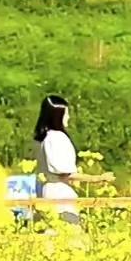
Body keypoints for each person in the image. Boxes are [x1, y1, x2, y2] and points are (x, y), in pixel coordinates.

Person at [33, 94, 113, 229]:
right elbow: (65, 173)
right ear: (57, 116)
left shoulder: (44, 138)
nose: (68, 118)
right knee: (67, 234)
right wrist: (97, 179)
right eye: (66, 114)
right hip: (59, 192)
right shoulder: (56, 138)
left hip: (50, 190)